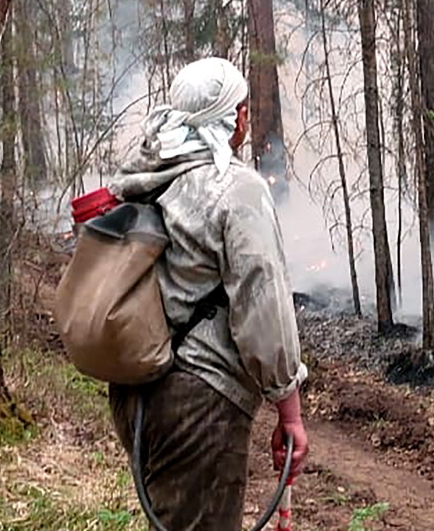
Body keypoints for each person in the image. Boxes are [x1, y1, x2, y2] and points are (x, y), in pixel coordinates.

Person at [106, 57, 309, 530]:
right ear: (234, 118)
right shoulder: (235, 189)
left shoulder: (144, 179)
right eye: (242, 110)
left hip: (136, 391)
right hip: (201, 400)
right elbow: (265, 306)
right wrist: (289, 410)